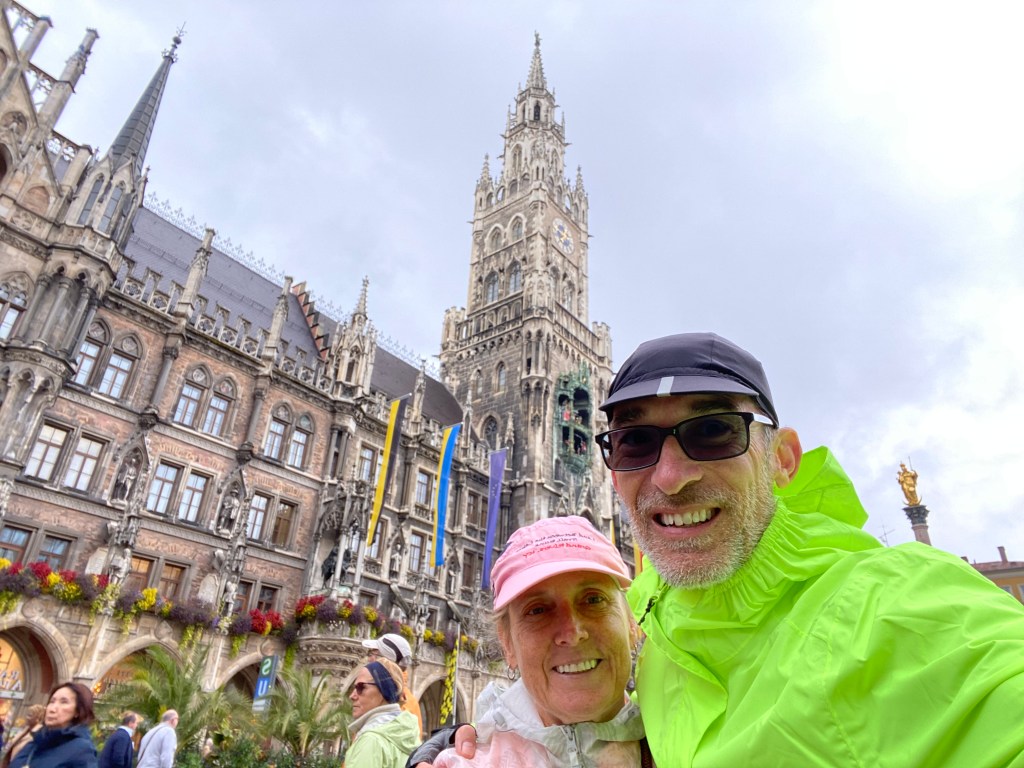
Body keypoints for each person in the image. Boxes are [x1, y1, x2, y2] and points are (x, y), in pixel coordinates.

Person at [594, 331, 1024, 767]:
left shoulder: (902, 602)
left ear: (782, 459)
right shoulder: (654, 647)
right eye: (635, 442)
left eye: (712, 431)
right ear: (614, 475)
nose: (670, 477)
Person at [420, 516, 647, 767]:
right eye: (537, 610)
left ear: (632, 624)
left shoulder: (678, 738)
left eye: (594, 600)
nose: (572, 633)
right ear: (507, 643)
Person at [345, 658, 419, 768]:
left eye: (361, 687)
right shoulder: (410, 737)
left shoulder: (371, 741)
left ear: (383, 689)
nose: (352, 696)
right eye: (354, 688)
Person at [9, 682, 98, 768]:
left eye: (64, 702)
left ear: (78, 711)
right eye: (52, 701)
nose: (52, 709)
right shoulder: (36, 741)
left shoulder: (81, 749)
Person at [361, 634, 423, 738]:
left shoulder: (401, 701)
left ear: (386, 661)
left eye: (372, 654)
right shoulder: (387, 692)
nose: (369, 659)